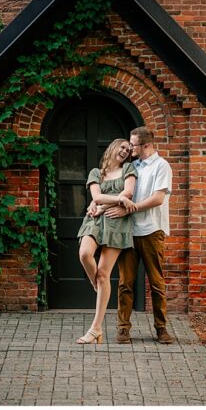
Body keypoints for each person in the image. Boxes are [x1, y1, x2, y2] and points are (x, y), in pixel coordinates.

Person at [104, 125, 174, 345]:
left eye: (133, 145)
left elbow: (158, 199)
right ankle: (123, 329)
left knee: (155, 282)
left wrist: (130, 208)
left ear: (146, 145)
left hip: (152, 231)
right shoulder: (131, 166)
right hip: (128, 232)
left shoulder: (162, 166)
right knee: (125, 282)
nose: (129, 148)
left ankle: (161, 328)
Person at [75, 139, 137, 345]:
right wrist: (116, 200)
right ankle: (97, 285)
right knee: (85, 254)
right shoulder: (96, 173)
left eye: (128, 150)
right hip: (95, 220)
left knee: (104, 273)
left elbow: (128, 193)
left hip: (118, 223)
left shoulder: (129, 168)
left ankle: (95, 329)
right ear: (113, 147)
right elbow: (96, 196)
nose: (125, 151)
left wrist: (106, 202)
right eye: (122, 147)